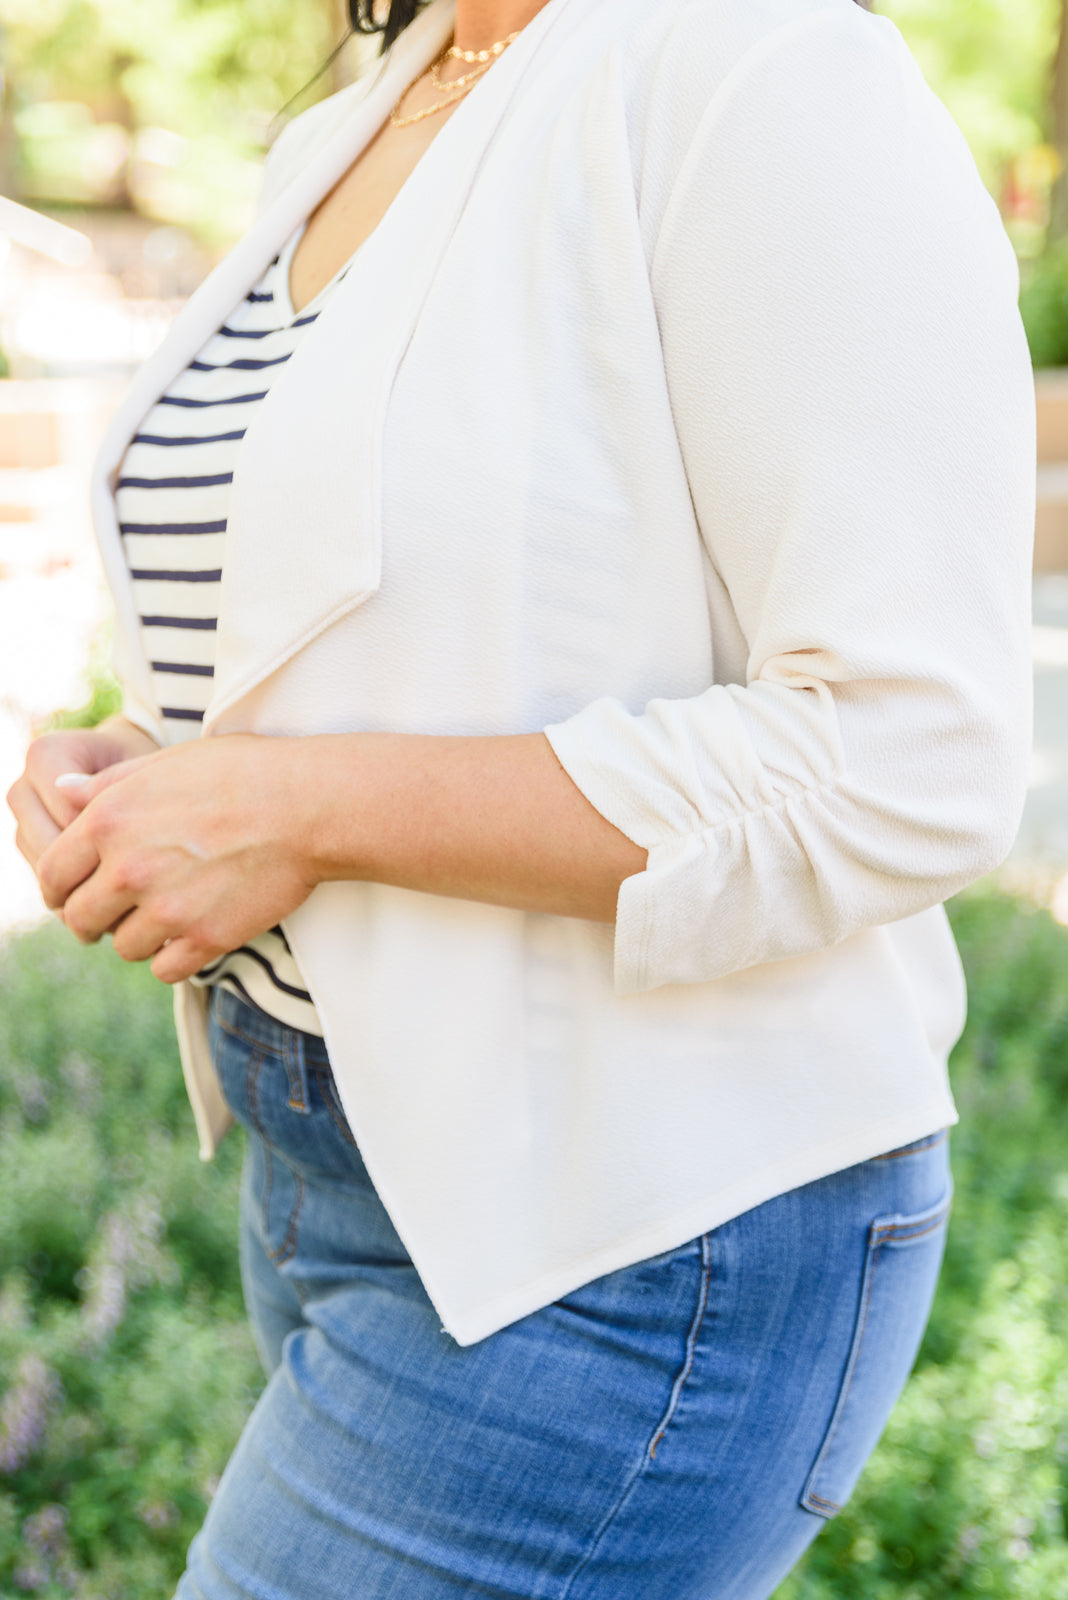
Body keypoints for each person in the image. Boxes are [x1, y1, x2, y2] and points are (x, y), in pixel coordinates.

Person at [7, 0, 1034, 1592]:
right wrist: (170, 767)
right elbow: (421, 633)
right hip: (346, 1167)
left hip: (640, 1229)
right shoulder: (377, 104)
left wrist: (301, 808)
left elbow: (907, 756)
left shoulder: (760, 62)